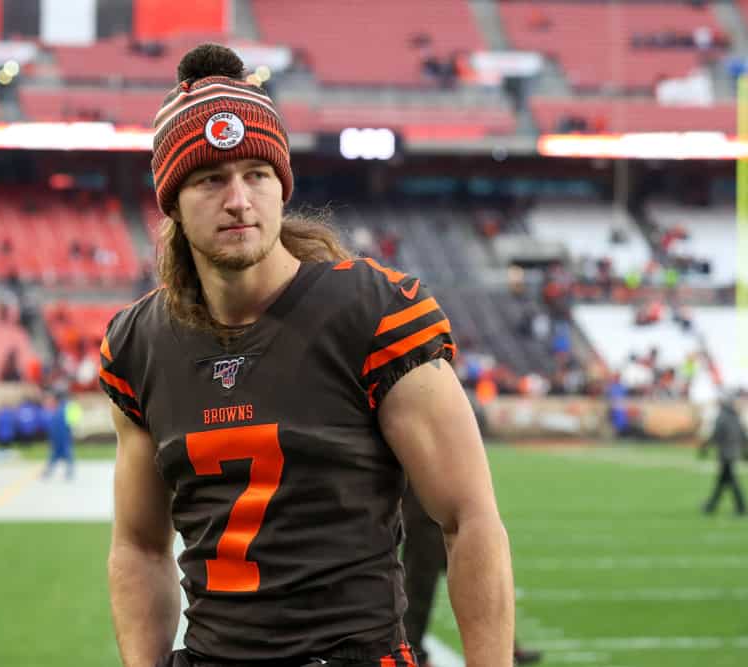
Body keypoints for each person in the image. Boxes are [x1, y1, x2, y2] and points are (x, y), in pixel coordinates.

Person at [100, 44, 513, 667]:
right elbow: (139, 545)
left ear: (281, 186)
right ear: (173, 204)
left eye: (256, 175)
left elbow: (469, 519)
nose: (238, 199)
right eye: (211, 179)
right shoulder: (139, 344)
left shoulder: (373, 314)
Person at [402, 489, 543, 667]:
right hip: (426, 511)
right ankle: (415, 654)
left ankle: (507, 647)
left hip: (449, 508)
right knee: (420, 585)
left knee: (479, 578)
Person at [699, 395, 747, 516]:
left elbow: (716, 434)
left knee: (730, 480)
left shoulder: (722, 417)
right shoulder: (735, 417)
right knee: (722, 481)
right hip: (734, 453)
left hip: (725, 453)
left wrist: (705, 447)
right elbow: (743, 435)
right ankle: (711, 505)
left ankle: (740, 507)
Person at [42, 391, 75, 481]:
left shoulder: (63, 408)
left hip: (62, 436)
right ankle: (51, 471)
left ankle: (68, 472)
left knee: (64, 454)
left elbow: (68, 423)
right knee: (56, 455)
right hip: (60, 435)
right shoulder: (59, 408)